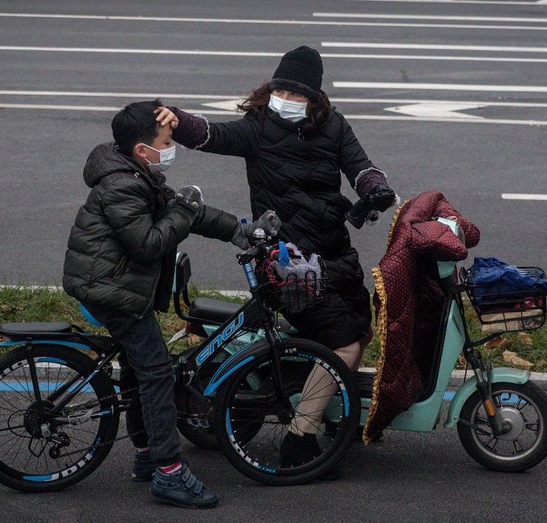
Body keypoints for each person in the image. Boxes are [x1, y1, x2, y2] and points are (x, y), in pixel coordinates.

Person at [155, 46, 397, 471]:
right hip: (288, 264)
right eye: (280, 88)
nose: (285, 96)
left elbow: (362, 168)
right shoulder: (258, 128)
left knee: (360, 330)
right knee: (344, 343)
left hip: (335, 254)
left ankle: (326, 411)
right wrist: (176, 117)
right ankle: (300, 439)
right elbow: (210, 134)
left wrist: (375, 189)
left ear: (314, 98)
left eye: (296, 92)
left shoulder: (335, 127)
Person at [62, 99, 279, 508]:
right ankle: (169, 473)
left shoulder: (133, 169)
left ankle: (145, 455)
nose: (171, 144)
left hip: (114, 282)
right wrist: (182, 208)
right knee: (157, 373)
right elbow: (149, 244)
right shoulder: (123, 184)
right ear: (143, 149)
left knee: (138, 366)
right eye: (166, 139)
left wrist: (241, 230)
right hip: (112, 290)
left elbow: (187, 214)